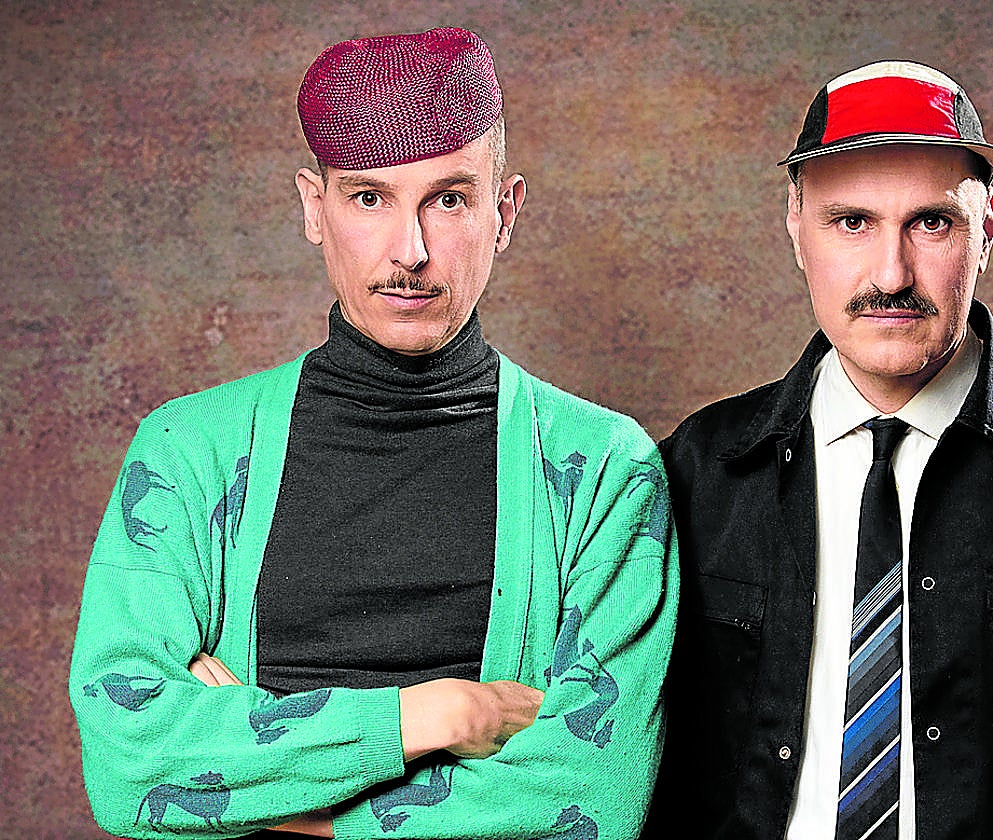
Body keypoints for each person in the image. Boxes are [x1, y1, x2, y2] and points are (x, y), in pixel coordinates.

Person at [70, 27, 676, 839]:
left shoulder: (604, 471)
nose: (410, 251)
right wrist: (437, 714)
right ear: (313, 209)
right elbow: (127, 764)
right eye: (368, 199)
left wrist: (287, 811)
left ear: (504, 212)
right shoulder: (187, 453)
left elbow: (594, 796)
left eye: (449, 199)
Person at [646, 60, 993, 839]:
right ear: (796, 228)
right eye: (852, 222)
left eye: (932, 223)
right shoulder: (697, 474)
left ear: (986, 229)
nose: (891, 273)